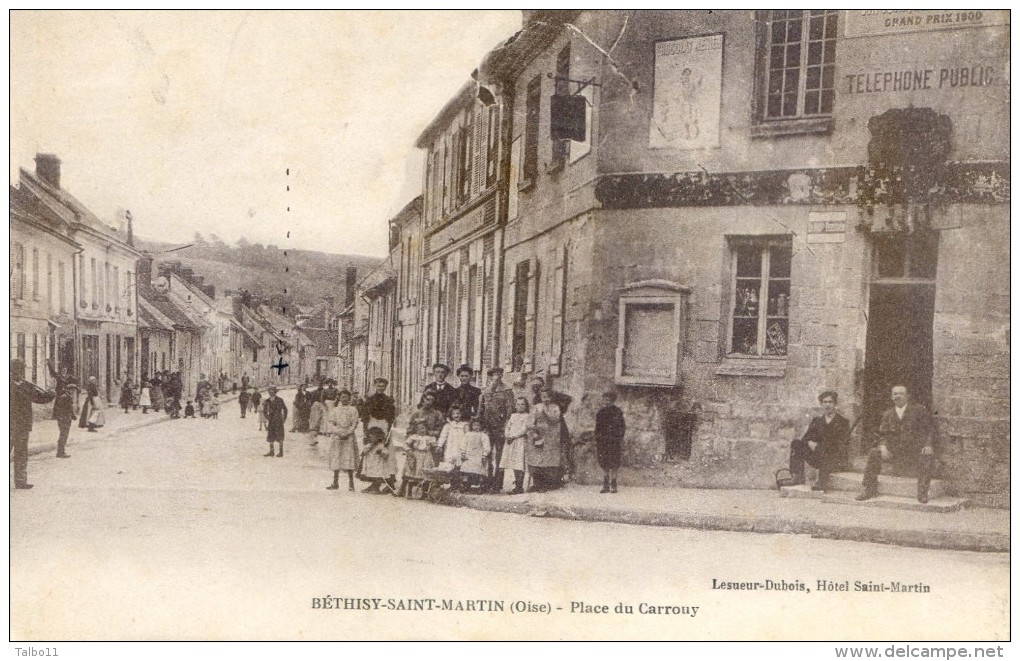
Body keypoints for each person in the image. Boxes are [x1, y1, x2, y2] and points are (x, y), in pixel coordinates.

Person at [857, 385, 936, 504]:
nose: (897, 396)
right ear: (891, 397)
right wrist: (883, 446)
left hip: (914, 450)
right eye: (895, 394)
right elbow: (882, 433)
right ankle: (869, 489)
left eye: (900, 393)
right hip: (895, 451)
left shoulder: (918, 410)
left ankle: (922, 492)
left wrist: (928, 445)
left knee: (927, 455)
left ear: (907, 396)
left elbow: (929, 429)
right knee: (874, 453)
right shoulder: (888, 414)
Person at [788, 390, 850, 492]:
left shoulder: (843, 422)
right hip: (817, 456)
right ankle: (796, 477)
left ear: (835, 404)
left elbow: (842, 443)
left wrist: (820, 445)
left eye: (830, 402)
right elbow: (806, 438)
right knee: (796, 443)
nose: (827, 405)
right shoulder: (817, 421)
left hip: (834, 458)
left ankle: (821, 482)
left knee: (824, 447)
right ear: (821, 404)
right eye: (825, 402)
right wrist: (809, 442)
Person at [11, 358, 56, 489]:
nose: (20, 372)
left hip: (23, 425)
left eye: (22, 370)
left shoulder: (27, 386)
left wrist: (51, 394)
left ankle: (20, 481)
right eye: (17, 370)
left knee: (21, 453)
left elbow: (40, 398)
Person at [398, 391, 446, 498]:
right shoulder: (416, 414)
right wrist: (410, 443)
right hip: (416, 445)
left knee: (428, 470)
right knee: (411, 468)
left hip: (429, 445)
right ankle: (404, 489)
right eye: (427, 399)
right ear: (423, 399)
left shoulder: (437, 414)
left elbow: (440, 430)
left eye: (432, 400)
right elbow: (410, 429)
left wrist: (429, 434)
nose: (429, 402)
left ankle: (426, 492)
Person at [530, 375, 573, 484]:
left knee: (559, 451)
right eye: (534, 386)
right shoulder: (536, 399)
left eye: (538, 386)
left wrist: (561, 409)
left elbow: (568, 398)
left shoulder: (553, 395)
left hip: (557, 426)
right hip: (543, 429)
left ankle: (558, 479)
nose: (536, 389)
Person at [477, 367, 514, 492]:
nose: (496, 377)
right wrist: (480, 425)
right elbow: (481, 409)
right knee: (486, 453)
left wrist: (506, 425)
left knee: (499, 455)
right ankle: (486, 481)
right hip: (487, 426)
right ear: (490, 377)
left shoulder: (507, 390)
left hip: (500, 426)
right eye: (494, 375)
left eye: (499, 374)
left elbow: (510, 409)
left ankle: (498, 483)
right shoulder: (486, 391)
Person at [528, 388, 564, 492]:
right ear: (541, 397)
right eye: (544, 397)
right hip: (538, 436)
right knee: (536, 459)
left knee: (548, 460)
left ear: (552, 397)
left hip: (551, 437)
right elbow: (530, 421)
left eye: (548, 397)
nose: (546, 399)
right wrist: (533, 429)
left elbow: (555, 420)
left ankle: (546, 484)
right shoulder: (536, 407)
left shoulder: (555, 408)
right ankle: (536, 483)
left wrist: (546, 414)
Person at [325, 390, 361, 492]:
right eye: (342, 397)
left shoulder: (353, 410)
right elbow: (331, 423)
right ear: (339, 398)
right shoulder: (335, 410)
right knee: (337, 458)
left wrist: (348, 432)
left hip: (349, 437)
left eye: (346, 397)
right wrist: (338, 432)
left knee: (349, 458)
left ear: (349, 398)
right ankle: (335, 482)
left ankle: (351, 483)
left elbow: (355, 423)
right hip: (337, 437)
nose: (344, 399)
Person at [594, 391, 626, 494]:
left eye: (608, 400)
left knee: (614, 462)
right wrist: (597, 437)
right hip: (603, 441)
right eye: (604, 399)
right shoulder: (600, 412)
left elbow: (622, 426)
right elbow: (597, 427)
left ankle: (613, 483)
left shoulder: (617, 412)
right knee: (604, 461)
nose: (606, 402)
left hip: (613, 441)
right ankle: (605, 484)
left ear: (612, 401)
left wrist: (619, 437)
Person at [447, 419, 491, 492]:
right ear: (471, 426)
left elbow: (486, 446)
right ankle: (466, 486)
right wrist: (463, 453)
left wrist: (484, 455)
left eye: (478, 425)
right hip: (469, 455)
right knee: (467, 470)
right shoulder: (468, 434)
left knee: (479, 470)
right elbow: (463, 444)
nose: (476, 427)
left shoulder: (483, 435)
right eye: (474, 425)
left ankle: (481, 486)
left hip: (478, 455)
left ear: (481, 426)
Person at [501, 396, 531, 494]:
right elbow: (508, 426)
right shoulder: (513, 415)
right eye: (518, 404)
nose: (520, 406)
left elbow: (524, 429)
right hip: (511, 442)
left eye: (522, 404)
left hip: (520, 441)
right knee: (514, 463)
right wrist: (507, 435)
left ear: (526, 406)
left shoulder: (527, 416)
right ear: (515, 405)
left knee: (519, 463)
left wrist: (513, 436)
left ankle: (519, 486)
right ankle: (516, 483)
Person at [359, 426, 395, 494]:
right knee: (372, 476)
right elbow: (363, 453)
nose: (372, 439)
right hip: (370, 463)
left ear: (378, 438)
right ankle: (373, 487)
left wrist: (381, 453)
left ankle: (376, 488)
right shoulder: (369, 445)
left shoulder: (380, 446)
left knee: (377, 477)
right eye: (370, 437)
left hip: (378, 464)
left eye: (374, 437)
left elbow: (386, 453)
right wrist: (368, 448)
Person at [262, 385, 289, 457]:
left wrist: (284, 418)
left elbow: (285, 409)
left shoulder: (280, 400)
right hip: (271, 420)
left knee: (280, 435)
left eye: (272, 391)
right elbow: (264, 411)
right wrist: (268, 417)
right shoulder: (267, 401)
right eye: (269, 391)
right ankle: (271, 452)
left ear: (275, 392)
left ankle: (281, 452)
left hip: (279, 420)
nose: (271, 393)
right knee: (270, 435)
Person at [53, 383, 78, 458]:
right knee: (64, 435)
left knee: (64, 434)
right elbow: (64, 408)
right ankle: (60, 452)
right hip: (63, 418)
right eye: (71, 390)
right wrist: (72, 416)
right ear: (67, 390)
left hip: (65, 418)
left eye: (73, 390)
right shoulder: (65, 397)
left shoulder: (67, 396)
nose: (73, 392)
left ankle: (61, 451)